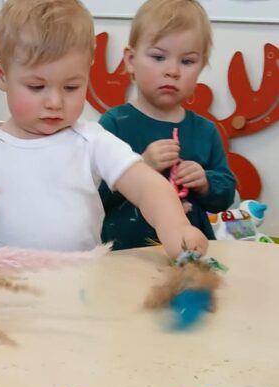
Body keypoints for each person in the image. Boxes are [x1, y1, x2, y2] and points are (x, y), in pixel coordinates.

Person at [0, 0, 208, 258]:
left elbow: (148, 187)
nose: (55, 102)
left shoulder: (91, 141)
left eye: (71, 87)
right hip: (1, 284)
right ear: (2, 75)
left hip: (78, 283)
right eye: (36, 87)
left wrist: (176, 228)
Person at [98, 0, 236, 250]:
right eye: (158, 57)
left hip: (188, 256)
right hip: (125, 256)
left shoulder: (205, 131)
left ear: (201, 67)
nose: (172, 71)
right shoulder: (114, 124)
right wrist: (140, 166)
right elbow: (94, 197)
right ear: (131, 60)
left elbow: (225, 195)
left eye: (187, 61)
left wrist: (205, 182)